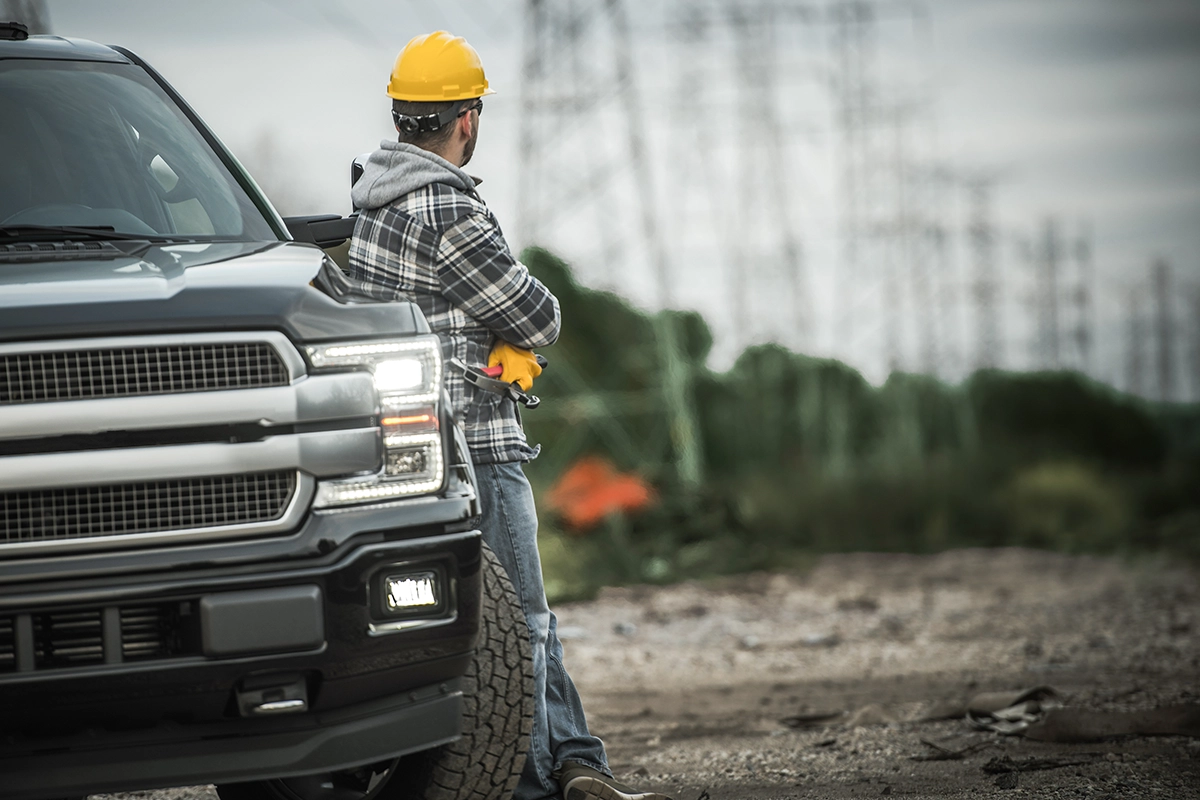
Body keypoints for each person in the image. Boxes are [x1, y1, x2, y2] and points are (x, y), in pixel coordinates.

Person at [347, 31, 673, 800]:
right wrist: (512, 335)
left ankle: (578, 764)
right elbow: (539, 314)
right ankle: (532, 785)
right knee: (520, 623)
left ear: (401, 116)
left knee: (519, 620)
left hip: (402, 448)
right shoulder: (444, 206)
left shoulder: (369, 205)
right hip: (474, 443)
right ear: (467, 118)